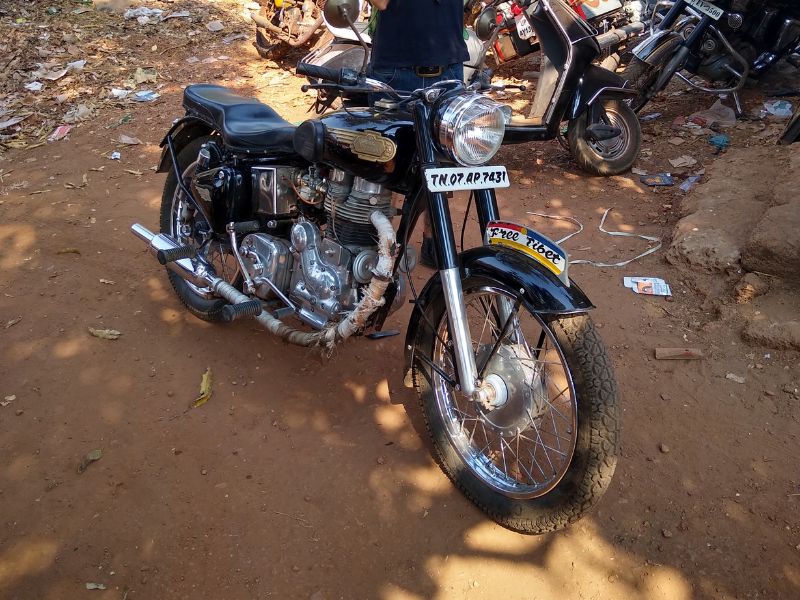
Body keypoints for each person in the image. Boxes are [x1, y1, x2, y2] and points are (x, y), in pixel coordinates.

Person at [367, 0, 469, 268]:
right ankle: (376, 248)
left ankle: (434, 240)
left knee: (443, 163)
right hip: (395, 71)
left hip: (448, 66)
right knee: (383, 160)